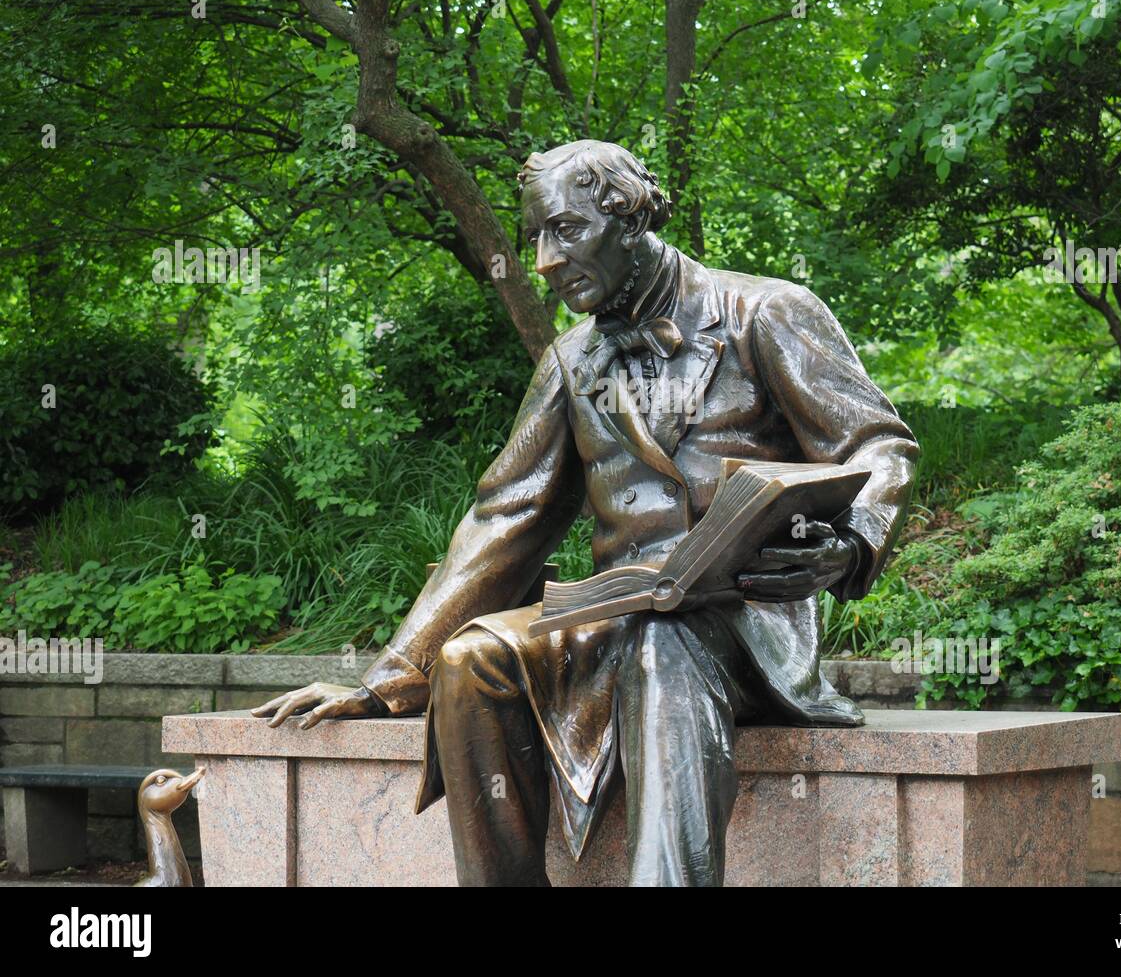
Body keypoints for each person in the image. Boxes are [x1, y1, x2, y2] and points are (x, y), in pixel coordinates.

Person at [253, 140, 918, 886]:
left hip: (747, 618)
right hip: (616, 612)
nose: (541, 259)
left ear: (628, 218)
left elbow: (879, 445)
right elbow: (504, 516)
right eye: (535, 236)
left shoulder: (766, 312)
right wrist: (382, 683)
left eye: (564, 231)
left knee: (663, 645)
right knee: (470, 661)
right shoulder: (571, 361)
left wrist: (851, 545)